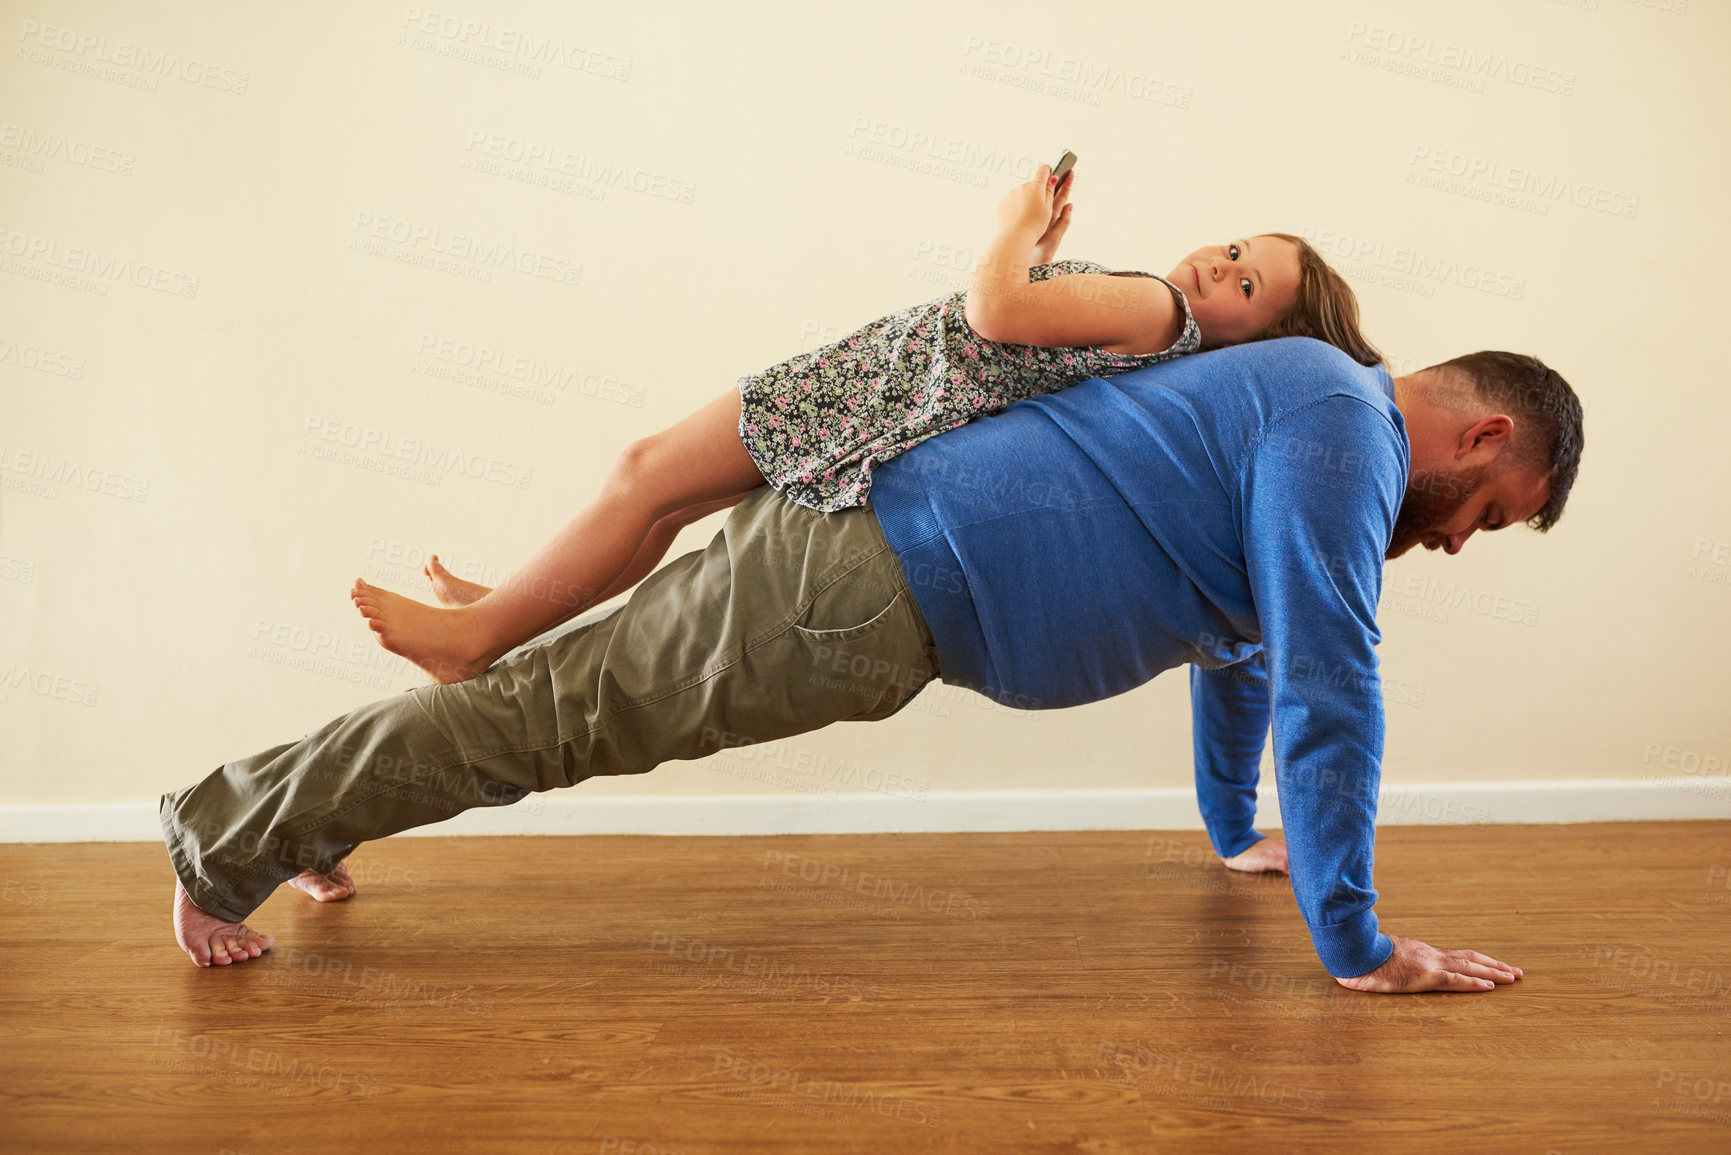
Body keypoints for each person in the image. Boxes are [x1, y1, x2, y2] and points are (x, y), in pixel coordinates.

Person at [161, 335, 1583, 995]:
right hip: (857, 583)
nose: (1459, 542)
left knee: (550, 712)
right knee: (546, 719)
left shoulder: (1311, 425)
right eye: (1489, 516)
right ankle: (225, 833)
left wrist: (1231, 833)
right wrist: (1358, 946)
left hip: (865, 586)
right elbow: (1334, 679)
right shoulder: (1347, 429)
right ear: (1476, 440)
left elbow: (1252, 655)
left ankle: (309, 815)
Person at [348, 163, 1382, 683]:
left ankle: (480, 635)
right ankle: (520, 608)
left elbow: (993, 311)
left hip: (860, 392)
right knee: (661, 506)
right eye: (1238, 246)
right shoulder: (1161, 326)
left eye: (1249, 284)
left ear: (1248, 337)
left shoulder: (1160, 305)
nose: (1221, 266)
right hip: (885, 403)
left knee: (646, 475)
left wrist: (1017, 225)